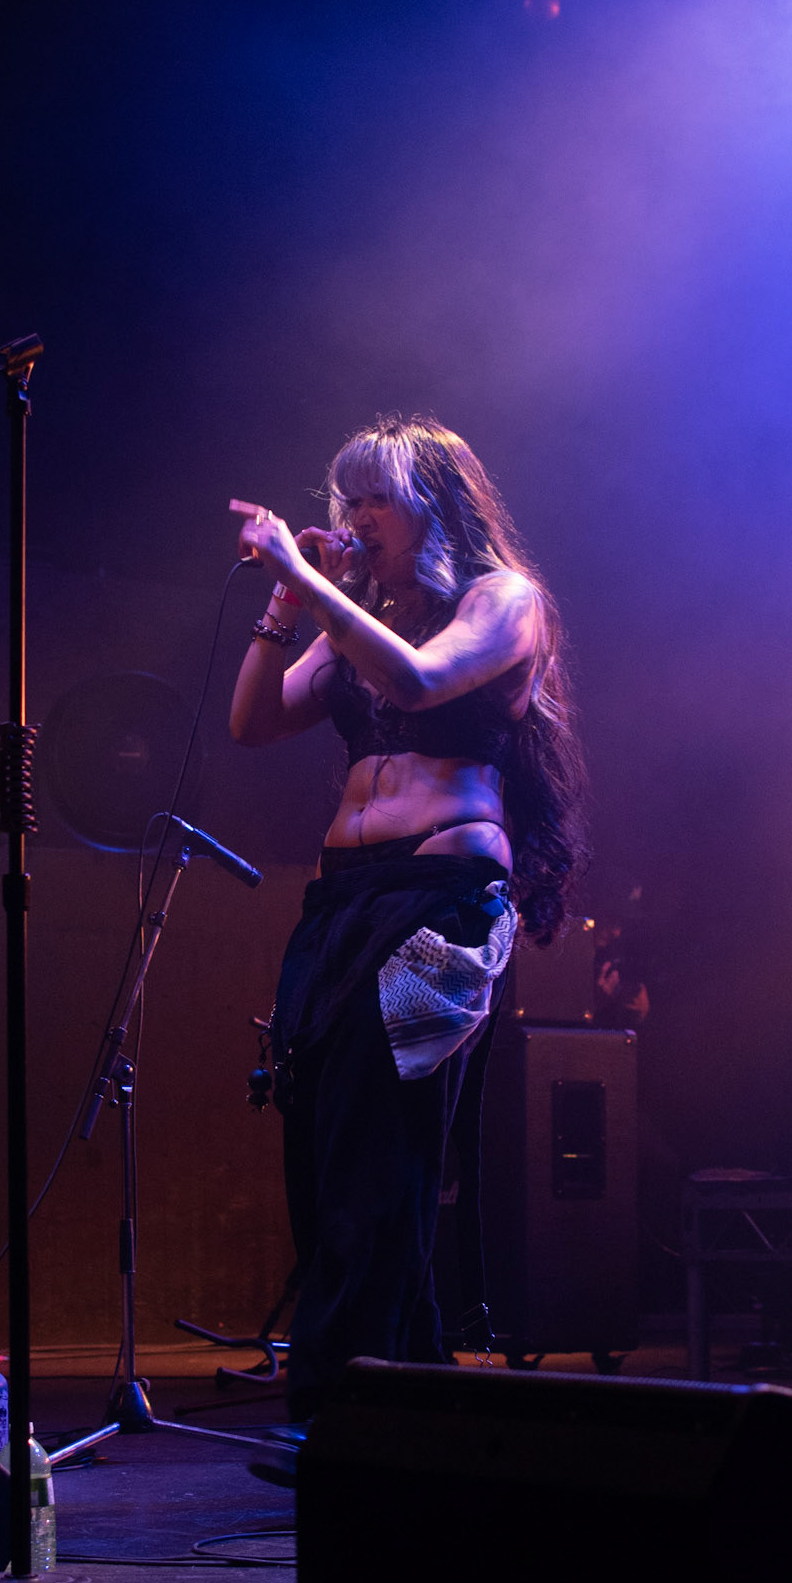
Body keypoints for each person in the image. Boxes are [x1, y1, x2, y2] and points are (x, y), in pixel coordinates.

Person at [231, 414, 585, 1421]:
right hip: (343, 901)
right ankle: (404, 1396)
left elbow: (420, 681)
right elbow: (254, 721)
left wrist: (314, 584)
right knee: (321, 1138)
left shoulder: (502, 601)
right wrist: (286, 599)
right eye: (345, 499)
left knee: (380, 1145)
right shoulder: (360, 618)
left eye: (375, 498)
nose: (355, 517)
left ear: (433, 504)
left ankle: (347, 1403)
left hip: (441, 899)